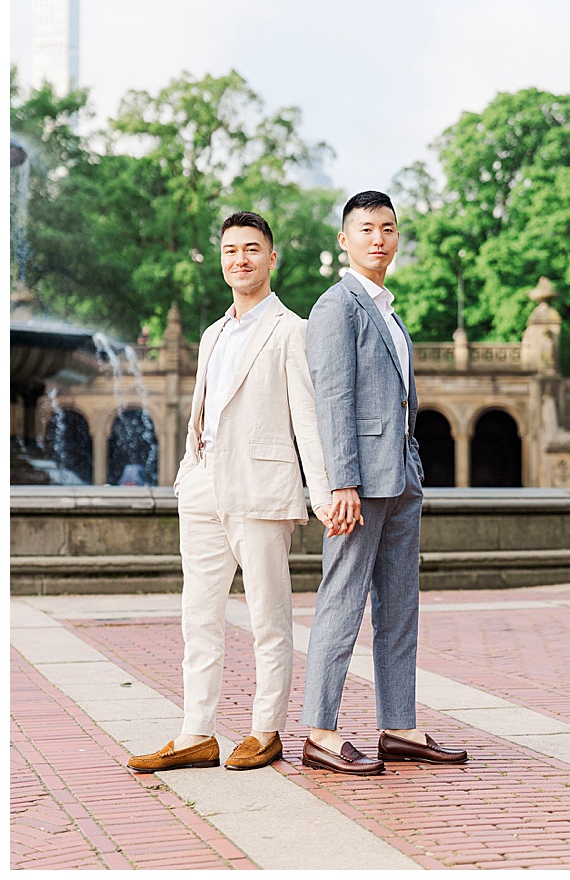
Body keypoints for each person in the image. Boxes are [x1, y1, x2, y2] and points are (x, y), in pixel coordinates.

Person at [127, 211, 343, 775]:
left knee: (269, 618)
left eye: (251, 249)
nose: (239, 259)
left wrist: (323, 496)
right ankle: (196, 732)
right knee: (197, 616)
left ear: (272, 259)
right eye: (229, 250)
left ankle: (263, 729)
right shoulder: (212, 334)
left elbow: (309, 422)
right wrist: (185, 474)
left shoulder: (291, 331)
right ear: (221, 260)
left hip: (263, 489)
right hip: (203, 487)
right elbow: (203, 411)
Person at [301, 191, 468, 775]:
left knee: (399, 607)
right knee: (341, 602)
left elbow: (400, 402)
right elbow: (333, 399)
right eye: (366, 229)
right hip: (359, 486)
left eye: (388, 228)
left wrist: (412, 463)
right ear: (344, 240)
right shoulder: (336, 307)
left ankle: (400, 727)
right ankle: (320, 733)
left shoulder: (389, 311)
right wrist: (341, 482)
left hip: (400, 479)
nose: (379, 238)